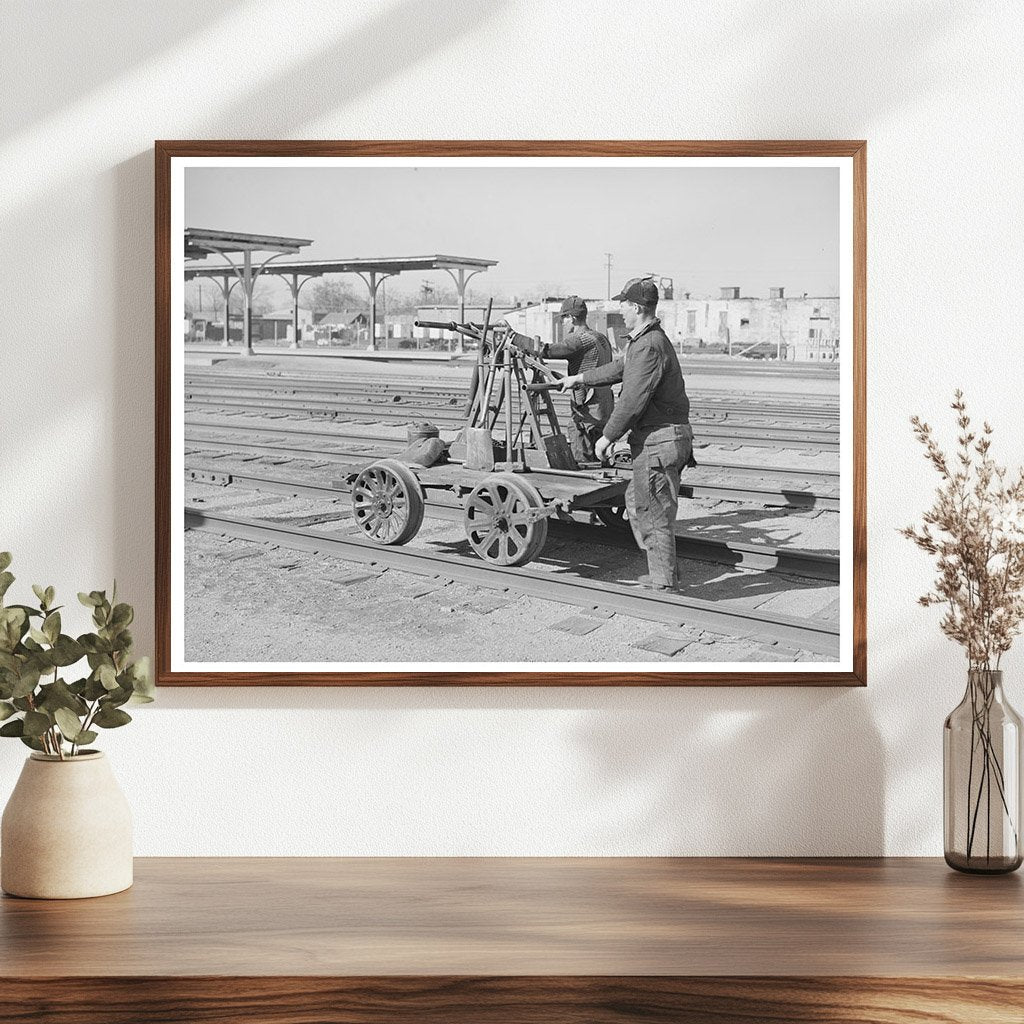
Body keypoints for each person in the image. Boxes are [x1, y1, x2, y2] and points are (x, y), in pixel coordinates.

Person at [560, 278, 693, 591]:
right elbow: (619, 369)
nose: (619, 311)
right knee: (639, 501)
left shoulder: (648, 345)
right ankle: (665, 572)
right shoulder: (646, 342)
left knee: (652, 509)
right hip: (663, 437)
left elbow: (633, 397)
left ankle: (663, 583)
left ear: (636, 307)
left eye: (623, 305)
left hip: (659, 440)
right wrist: (580, 378)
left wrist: (607, 436)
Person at [506, 297, 613, 463]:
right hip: (605, 405)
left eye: (564, 318)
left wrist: (513, 336)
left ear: (573, 318)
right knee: (600, 455)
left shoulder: (579, 340)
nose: (563, 323)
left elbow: (545, 350)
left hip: (588, 409)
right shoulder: (601, 338)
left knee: (583, 456)